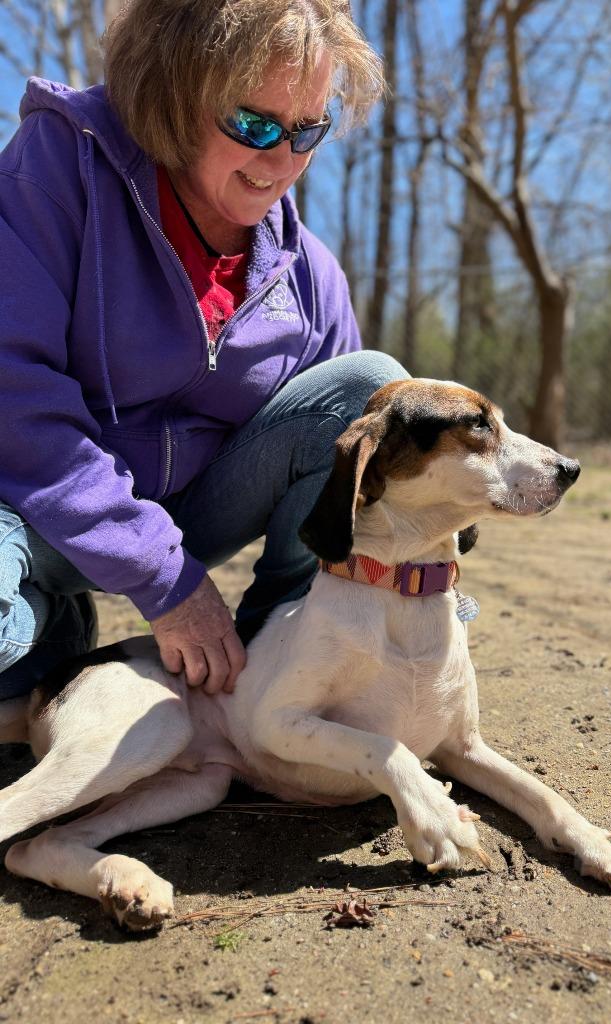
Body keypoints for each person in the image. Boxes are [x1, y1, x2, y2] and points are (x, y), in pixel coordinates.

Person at [0, 0, 404, 703]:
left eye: (307, 131)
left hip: (198, 509)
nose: (280, 160)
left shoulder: (310, 275)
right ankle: (44, 633)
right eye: (253, 123)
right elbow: (12, 392)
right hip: (33, 509)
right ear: (173, 90)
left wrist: (425, 593)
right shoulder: (60, 167)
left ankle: (279, 657)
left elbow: (357, 476)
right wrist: (164, 579)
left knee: (367, 391)